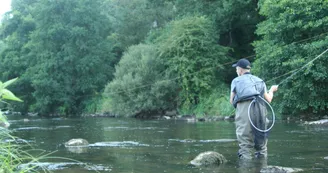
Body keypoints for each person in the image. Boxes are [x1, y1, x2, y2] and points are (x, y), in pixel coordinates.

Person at [230, 58, 278, 159]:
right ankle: (262, 167)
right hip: (260, 109)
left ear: (240, 70)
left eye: (236, 69)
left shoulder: (236, 80)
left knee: (245, 145)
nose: (236, 71)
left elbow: (231, 100)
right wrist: (272, 90)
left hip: (245, 110)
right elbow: (268, 99)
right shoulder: (260, 80)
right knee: (262, 146)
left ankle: (246, 168)